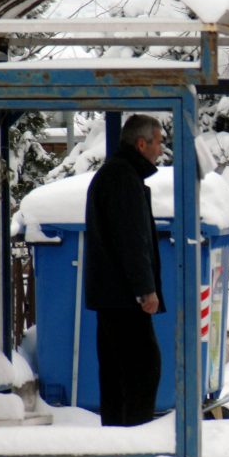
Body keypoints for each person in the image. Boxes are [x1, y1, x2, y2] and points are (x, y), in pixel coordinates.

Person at [84, 114, 166, 427]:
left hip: (112, 297)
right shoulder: (123, 179)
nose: (161, 149)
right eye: (157, 142)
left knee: (118, 373)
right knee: (143, 369)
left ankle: (119, 437)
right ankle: (133, 439)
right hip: (123, 298)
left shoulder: (118, 174)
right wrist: (145, 290)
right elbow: (132, 240)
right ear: (141, 143)